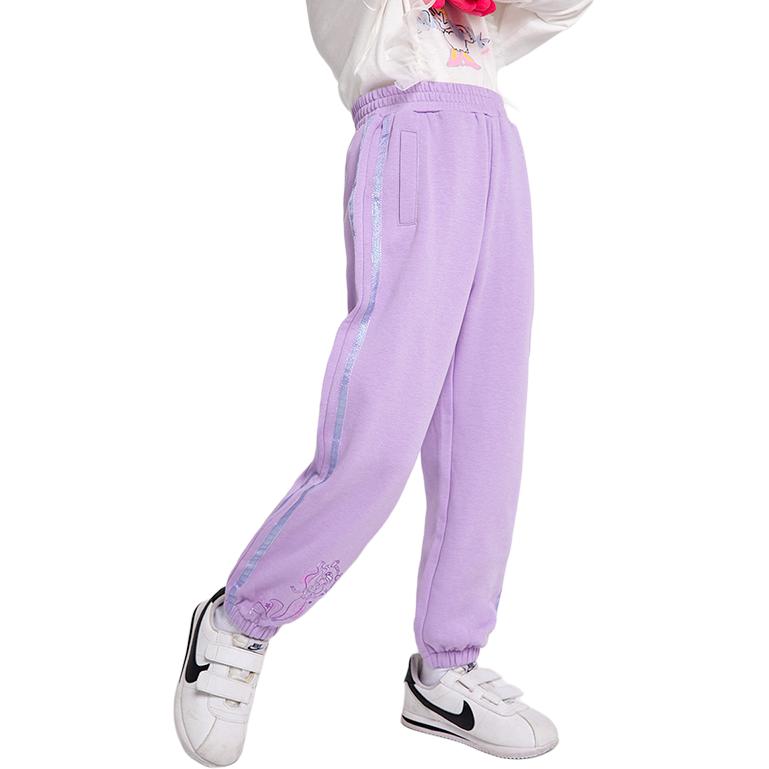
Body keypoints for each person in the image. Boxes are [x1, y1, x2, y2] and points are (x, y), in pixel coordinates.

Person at [174, 0, 592, 764]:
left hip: (493, 143)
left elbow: (555, 9)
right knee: (380, 427)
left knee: (486, 432)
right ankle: (241, 617)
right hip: (410, 134)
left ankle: (446, 668)